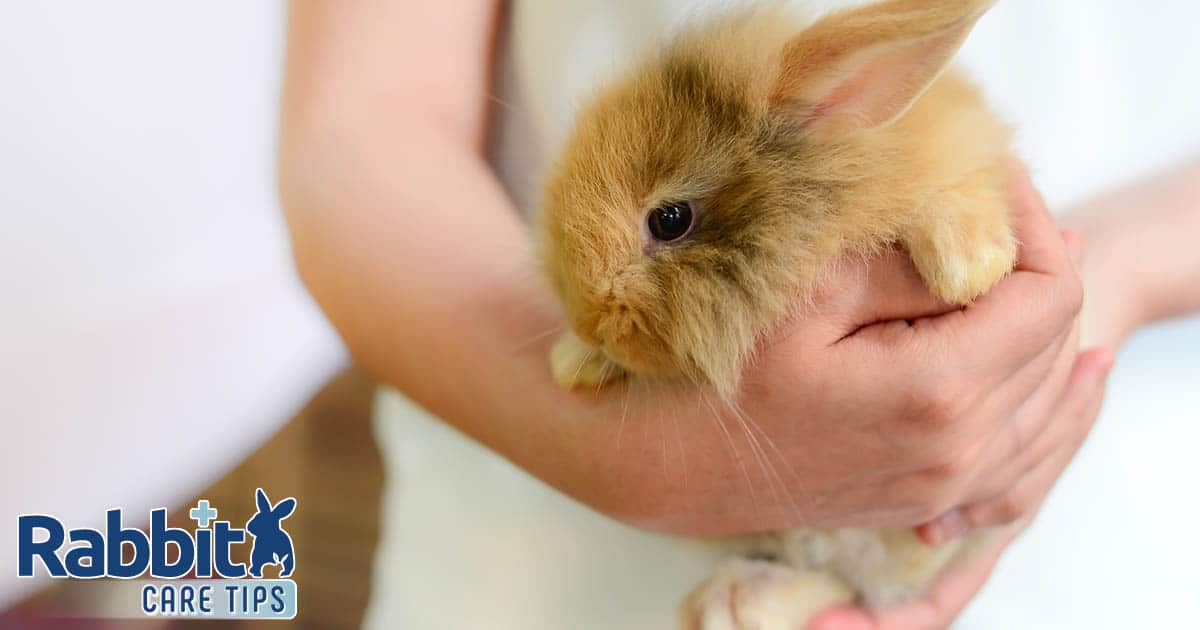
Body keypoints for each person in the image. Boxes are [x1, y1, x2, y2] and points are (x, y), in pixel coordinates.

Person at [278, 2, 1200, 627]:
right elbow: (360, 125)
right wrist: (624, 454)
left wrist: (1085, 287)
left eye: (668, 223)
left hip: (1103, 518)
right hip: (530, 517)